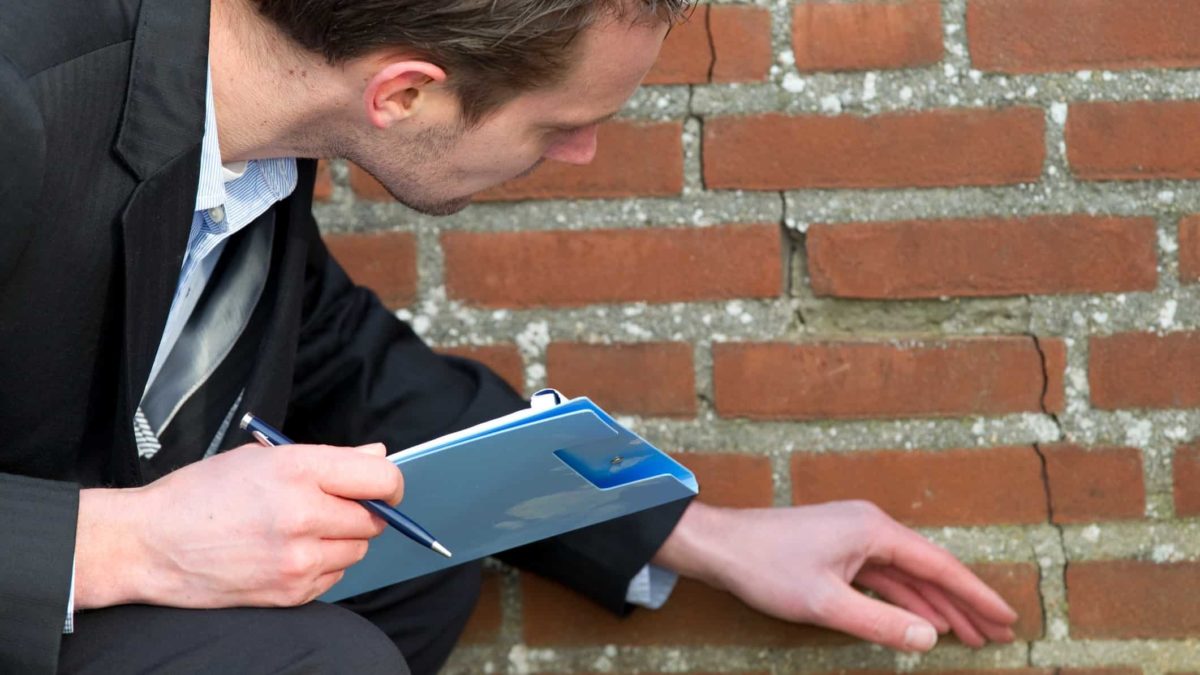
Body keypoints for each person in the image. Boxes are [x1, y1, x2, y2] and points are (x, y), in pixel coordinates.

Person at [0, 0, 1019, 672]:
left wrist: (697, 534)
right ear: (403, 93)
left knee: (415, 552)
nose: (580, 153)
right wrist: (131, 543)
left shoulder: (254, 142)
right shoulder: (21, 100)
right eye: (556, 123)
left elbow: (336, 356)